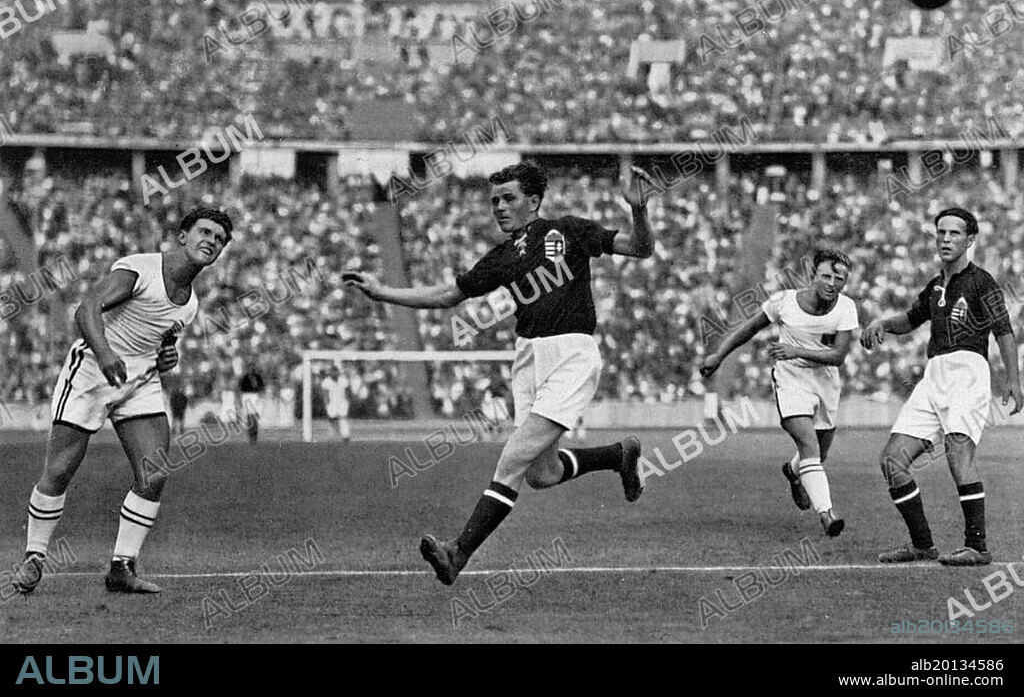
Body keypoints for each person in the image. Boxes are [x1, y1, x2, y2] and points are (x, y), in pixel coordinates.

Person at [346, 162, 654, 585]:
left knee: (510, 460)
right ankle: (619, 455)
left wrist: (639, 211)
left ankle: (458, 552)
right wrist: (382, 292)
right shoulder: (503, 256)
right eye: (494, 200)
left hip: (572, 354)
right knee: (540, 474)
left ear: (533, 200)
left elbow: (640, 248)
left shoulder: (569, 230)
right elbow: (447, 296)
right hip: (527, 359)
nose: (499, 207)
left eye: (508, 198)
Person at [12, 207, 232, 595]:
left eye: (219, 239)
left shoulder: (190, 304)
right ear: (182, 235)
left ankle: (121, 568)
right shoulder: (140, 268)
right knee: (61, 468)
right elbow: (87, 309)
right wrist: (107, 353)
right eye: (205, 231)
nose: (211, 241)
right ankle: (34, 556)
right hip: (94, 370)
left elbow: (163, 346)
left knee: (155, 472)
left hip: (140, 382)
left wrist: (169, 357)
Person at [861, 208, 1022, 566]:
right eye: (941, 233)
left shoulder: (984, 282)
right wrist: (883, 323)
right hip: (934, 374)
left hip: (968, 370)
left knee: (958, 452)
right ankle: (922, 545)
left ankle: (977, 547)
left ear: (970, 240)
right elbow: (911, 319)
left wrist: (1013, 379)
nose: (946, 239)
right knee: (892, 461)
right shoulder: (935, 286)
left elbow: (1004, 331)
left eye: (954, 233)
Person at [700, 249, 859, 537]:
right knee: (809, 445)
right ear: (813, 276)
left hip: (825, 382)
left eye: (839, 278)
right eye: (826, 275)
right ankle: (827, 512)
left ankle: (793, 471)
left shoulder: (846, 308)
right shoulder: (784, 302)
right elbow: (747, 330)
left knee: (818, 453)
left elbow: (838, 356)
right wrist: (718, 356)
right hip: (791, 379)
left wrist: (795, 349)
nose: (832, 283)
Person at [237, 358, 265, 445]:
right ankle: (251, 435)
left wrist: (260, 396)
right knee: (250, 416)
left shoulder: (258, 377)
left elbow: (261, 388)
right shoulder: (244, 378)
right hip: (247, 396)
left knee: (255, 416)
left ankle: (255, 434)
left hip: (255, 396)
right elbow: (240, 389)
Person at [322, 364, 351, 443]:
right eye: (332, 372)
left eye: (336, 371)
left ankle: (345, 436)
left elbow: (347, 392)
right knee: (332, 420)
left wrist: (347, 403)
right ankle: (332, 437)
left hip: (342, 402)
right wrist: (327, 405)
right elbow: (325, 394)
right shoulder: (326, 381)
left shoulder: (343, 380)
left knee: (342, 419)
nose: (334, 373)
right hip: (332, 403)